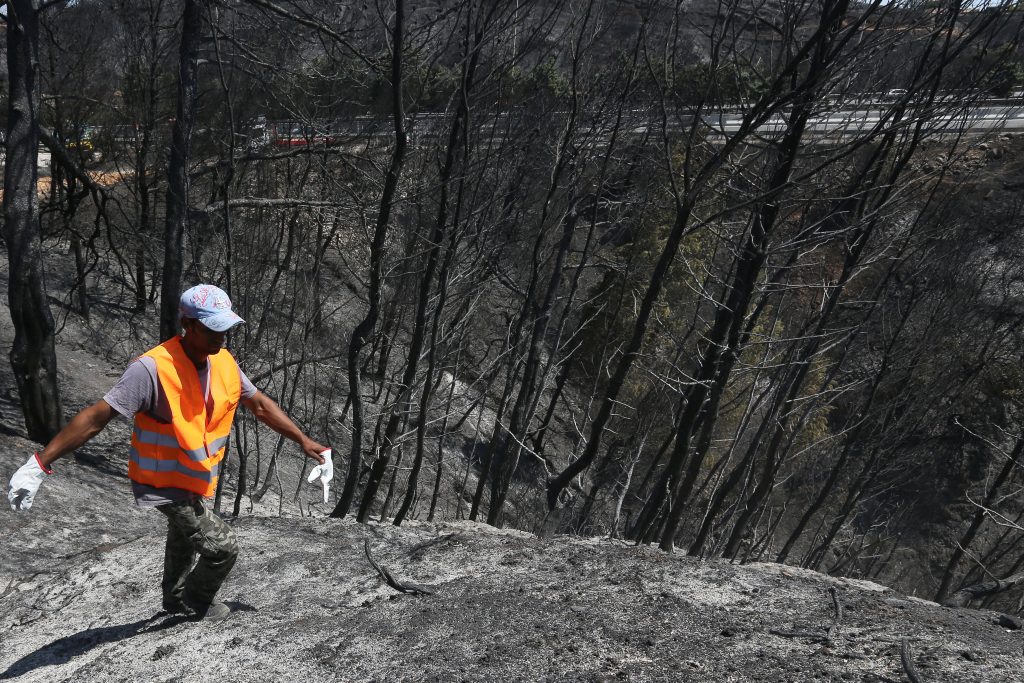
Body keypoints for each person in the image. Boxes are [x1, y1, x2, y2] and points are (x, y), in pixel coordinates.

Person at [7, 284, 329, 621]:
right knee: (222, 549)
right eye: (212, 328)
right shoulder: (151, 369)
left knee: (183, 538)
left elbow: (260, 405)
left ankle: (175, 599)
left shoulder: (224, 362)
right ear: (188, 324)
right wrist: (39, 463)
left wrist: (303, 440)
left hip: (192, 477)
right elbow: (95, 418)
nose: (221, 337)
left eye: (226, 328)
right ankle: (196, 601)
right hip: (162, 481)